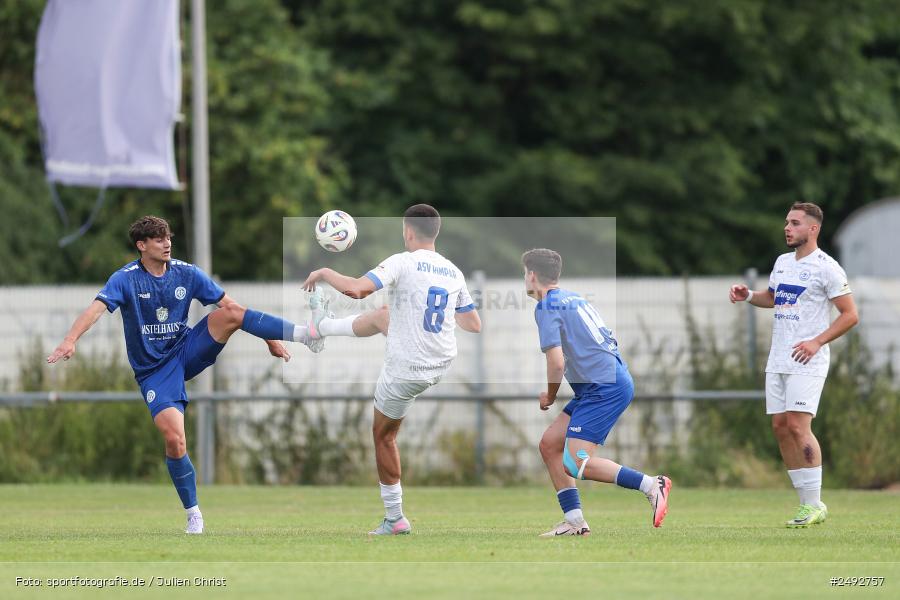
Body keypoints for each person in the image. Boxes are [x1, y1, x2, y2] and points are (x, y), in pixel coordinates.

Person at [47, 215, 318, 534]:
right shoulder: (126, 279)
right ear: (141, 245)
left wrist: (270, 339)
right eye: (158, 239)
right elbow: (95, 309)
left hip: (187, 349)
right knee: (175, 440)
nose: (166, 243)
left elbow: (231, 305)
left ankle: (304, 333)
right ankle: (194, 514)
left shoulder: (187, 273)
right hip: (154, 371)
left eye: (168, 237)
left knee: (229, 313)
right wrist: (69, 340)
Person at [301, 204, 482, 535]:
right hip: (441, 361)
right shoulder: (453, 272)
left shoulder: (402, 261)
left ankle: (395, 518)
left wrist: (325, 272)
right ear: (435, 233)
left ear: (407, 231)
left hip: (406, 369)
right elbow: (473, 323)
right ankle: (321, 328)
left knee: (383, 435)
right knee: (385, 315)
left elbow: (357, 289)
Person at [524, 248, 671, 537]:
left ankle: (652, 484)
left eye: (524, 275)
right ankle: (575, 523)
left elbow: (556, 362)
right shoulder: (573, 298)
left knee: (575, 463)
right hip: (602, 383)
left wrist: (551, 396)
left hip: (604, 387)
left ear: (531, 275)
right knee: (550, 444)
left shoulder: (546, 306)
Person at [729, 202, 858, 528]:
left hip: (808, 359)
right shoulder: (783, 262)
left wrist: (817, 342)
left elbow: (850, 315)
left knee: (800, 426)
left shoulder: (827, 267)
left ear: (813, 229)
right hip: (779, 358)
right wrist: (747, 295)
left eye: (796, 223)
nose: (788, 228)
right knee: (781, 428)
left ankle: (815, 503)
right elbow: (773, 299)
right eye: (787, 222)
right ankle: (806, 505)